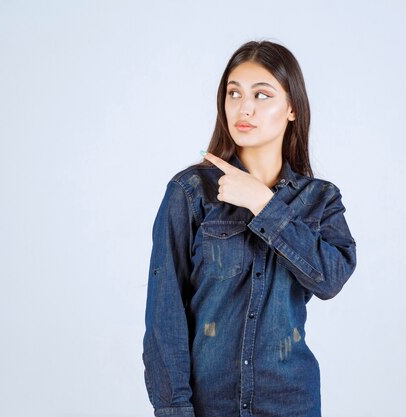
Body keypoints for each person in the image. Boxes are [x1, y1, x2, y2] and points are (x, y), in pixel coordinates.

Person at [141, 40, 357, 417]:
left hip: (291, 402)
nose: (244, 107)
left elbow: (331, 279)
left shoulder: (319, 199)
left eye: (262, 95)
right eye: (234, 93)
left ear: (292, 108)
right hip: (210, 405)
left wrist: (263, 204)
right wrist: (173, 409)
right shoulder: (191, 192)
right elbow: (165, 315)